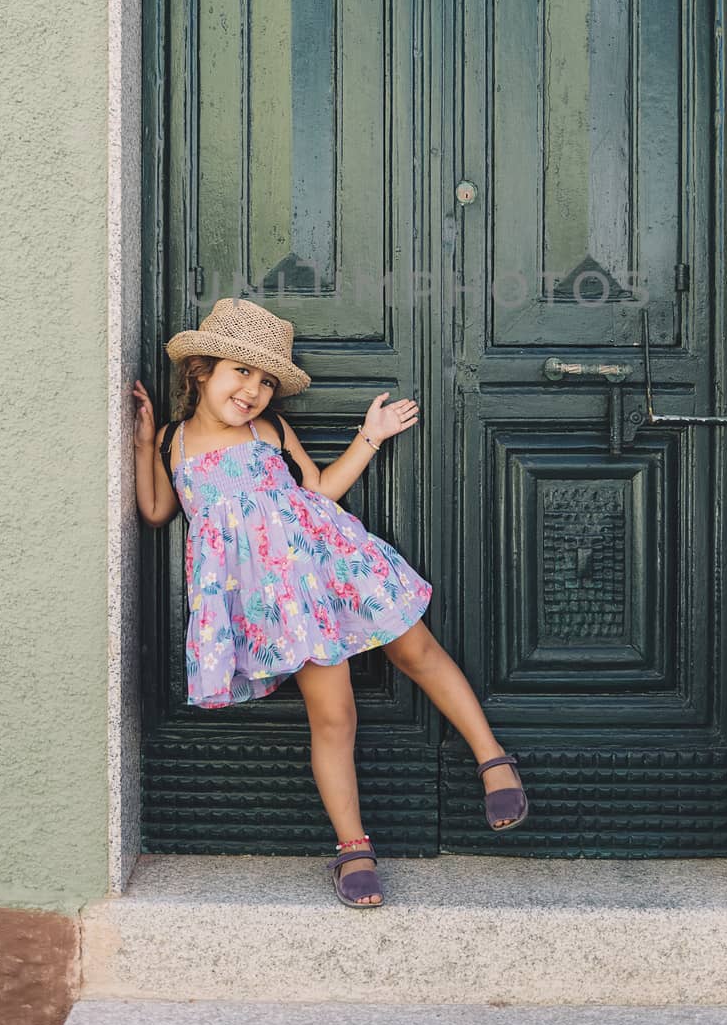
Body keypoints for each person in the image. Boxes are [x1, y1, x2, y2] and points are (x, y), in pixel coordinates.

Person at [133, 296, 528, 909]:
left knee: (417, 649)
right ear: (201, 371)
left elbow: (317, 489)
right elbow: (158, 511)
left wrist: (368, 439)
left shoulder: (268, 430)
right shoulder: (172, 443)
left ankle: (492, 758)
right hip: (280, 603)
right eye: (241, 372)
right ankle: (352, 845)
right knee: (334, 714)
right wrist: (139, 444)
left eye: (266, 381)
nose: (254, 391)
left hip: (332, 563)